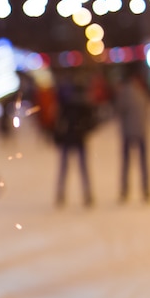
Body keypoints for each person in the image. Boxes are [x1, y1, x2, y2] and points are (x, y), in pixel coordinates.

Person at [52, 73, 97, 207]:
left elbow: (60, 119)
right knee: (77, 168)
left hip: (73, 138)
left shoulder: (72, 103)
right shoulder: (80, 103)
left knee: (68, 168)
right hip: (75, 138)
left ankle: (67, 194)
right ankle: (84, 195)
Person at [115, 64, 150, 203]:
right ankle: (144, 189)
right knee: (141, 163)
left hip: (129, 131)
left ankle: (126, 190)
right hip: (139, 131)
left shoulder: (125, 91)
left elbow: (119, 109)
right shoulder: (141, 91)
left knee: (128, 163)